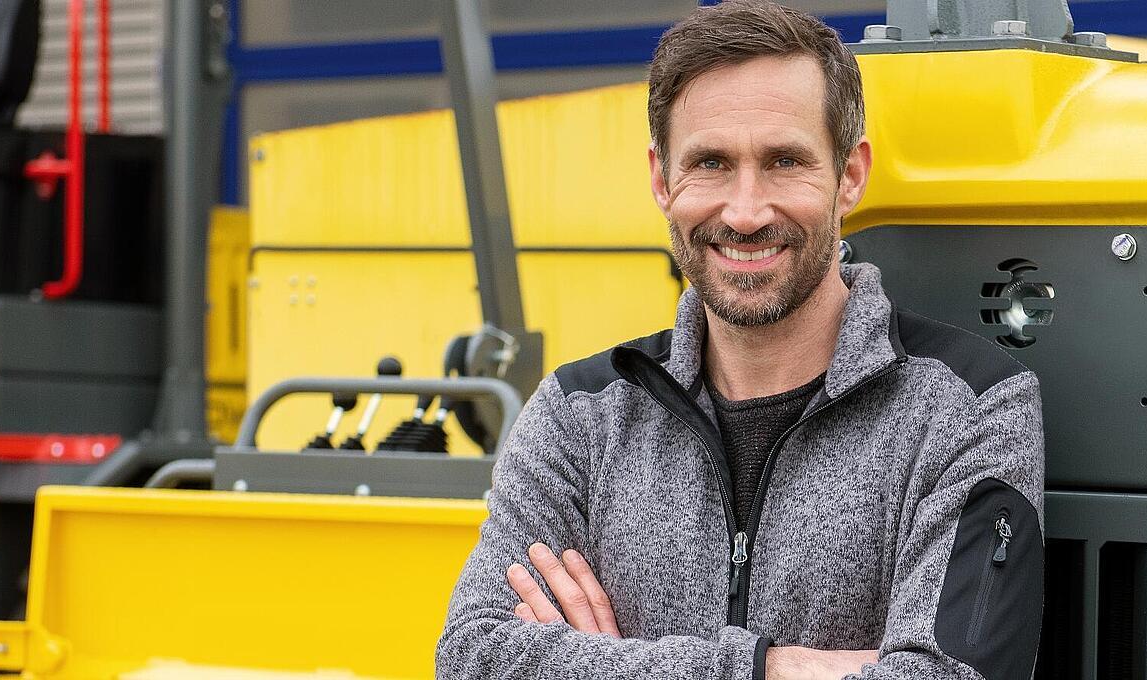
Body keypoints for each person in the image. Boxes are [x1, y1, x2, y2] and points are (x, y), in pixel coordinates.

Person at [434, 2, 1045, 678]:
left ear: (849, 176)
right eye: (711, 163)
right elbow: (471, 656)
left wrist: (604, 663)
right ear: (662, 180)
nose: (746, 212)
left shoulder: (968, 408)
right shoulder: (578, 416)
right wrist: (770, 668)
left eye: (784, 161)